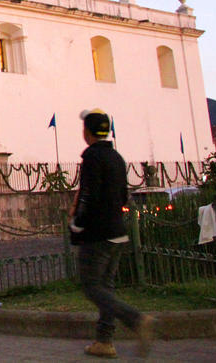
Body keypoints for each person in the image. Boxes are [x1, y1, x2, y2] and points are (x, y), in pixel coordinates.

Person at [70, 108, 155, 358]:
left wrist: (77, 222)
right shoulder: (116, 157)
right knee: (106, 286)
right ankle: (105, 341)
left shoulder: (92, 158)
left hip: (97, 234)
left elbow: (88, 194)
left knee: (91, 286)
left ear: (87, 132)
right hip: (118, 230)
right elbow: (122, 195)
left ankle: (137, 320)